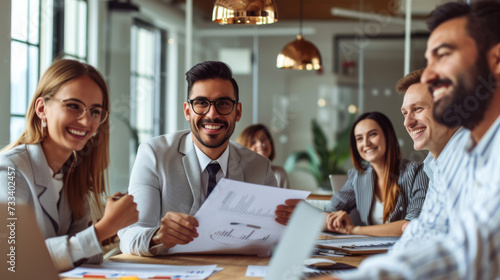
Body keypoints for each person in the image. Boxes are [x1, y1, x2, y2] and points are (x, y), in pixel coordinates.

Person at [311, 1, 500, 279]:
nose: (431, 75)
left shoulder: (476, 154)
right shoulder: (447, 160)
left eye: (443, 55)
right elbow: (424, 236)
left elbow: (467, 255)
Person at [118, 61, 279, 256]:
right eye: (201, 103)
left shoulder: (259, 167)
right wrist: (157, 236)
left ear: (238, 112)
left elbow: (276, 237)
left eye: (223, 104)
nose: (212, 114)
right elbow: (129, 235)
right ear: (187, 111)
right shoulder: (154, 155)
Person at [0, 59, 138, 272]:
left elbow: (82, 258)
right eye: (73, 106)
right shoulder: (9, 171)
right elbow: (11, 260)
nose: (86, 122)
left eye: (95, 111)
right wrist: (103, 229)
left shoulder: (73, 175)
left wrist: (112, 226)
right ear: (41, 108)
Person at [323, 111, 429, 237]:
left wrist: (354, 230)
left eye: (372, 134)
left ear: (388, 136)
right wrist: (333, 220)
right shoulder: (359, 177)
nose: (366, 143)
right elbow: (326, 211)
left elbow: (412, 225)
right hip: (369, 252)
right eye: (359, 138)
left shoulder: (417, 172)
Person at [393, 68, 464, 250]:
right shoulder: (434, 165)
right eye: (404, 113)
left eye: (417, 109)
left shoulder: (467, 159)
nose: (407, 123)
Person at [236, 124, 290, 188]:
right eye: (253, 142)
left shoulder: (279, 173)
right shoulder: (237, 174)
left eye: (263, 139)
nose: (260, 144)